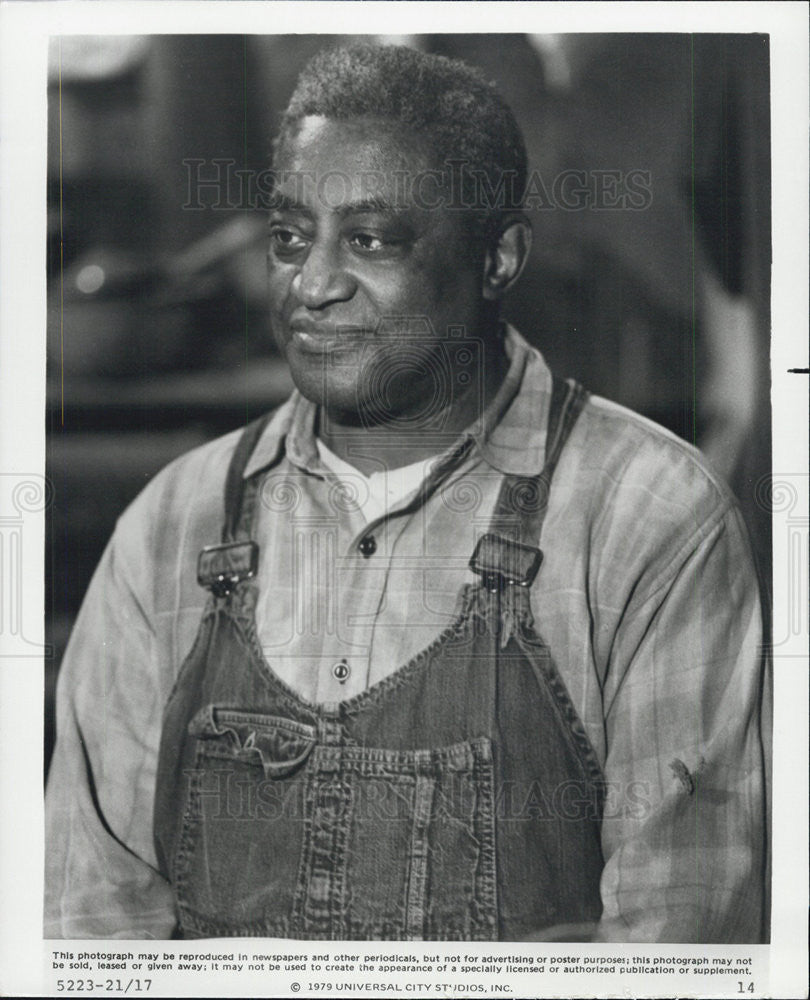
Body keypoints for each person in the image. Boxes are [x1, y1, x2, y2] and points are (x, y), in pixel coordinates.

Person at [45, 43, 769, 943]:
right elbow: (93, 922)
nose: (312, 283)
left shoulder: (650, 516)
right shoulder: (175, 523)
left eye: (371, 239)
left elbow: (678, 941)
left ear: (498, 258)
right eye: (289, 237)